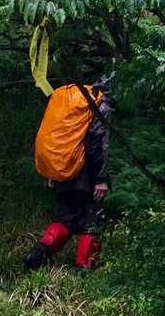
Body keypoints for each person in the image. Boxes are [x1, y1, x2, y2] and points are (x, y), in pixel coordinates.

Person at [24, 77, 112, 270]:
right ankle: (84, 269)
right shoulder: (100, 106)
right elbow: (98, 146)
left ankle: (36, 256)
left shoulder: (72, 101)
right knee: (91, 223)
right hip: (85, 174)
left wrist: (52, 171)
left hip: (62, 170)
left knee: (65, 218)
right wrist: (100, 179)